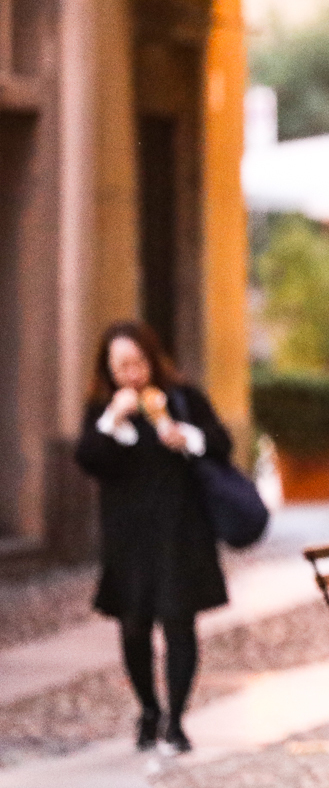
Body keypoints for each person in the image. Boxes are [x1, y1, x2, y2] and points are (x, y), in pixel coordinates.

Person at [74, 322, 234, 754]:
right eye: (120, 366)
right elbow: (88, 458)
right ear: (108, 371)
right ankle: (148, 708)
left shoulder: (183, 398)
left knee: (180, 624)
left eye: (137, 362)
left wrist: (187, 436)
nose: (131, 373)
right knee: (133, 627)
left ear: (152, 359)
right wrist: (114, 417)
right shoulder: (102, 409)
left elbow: (222, 441)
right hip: (128, 537)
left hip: (180, 532)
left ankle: (177, 720)